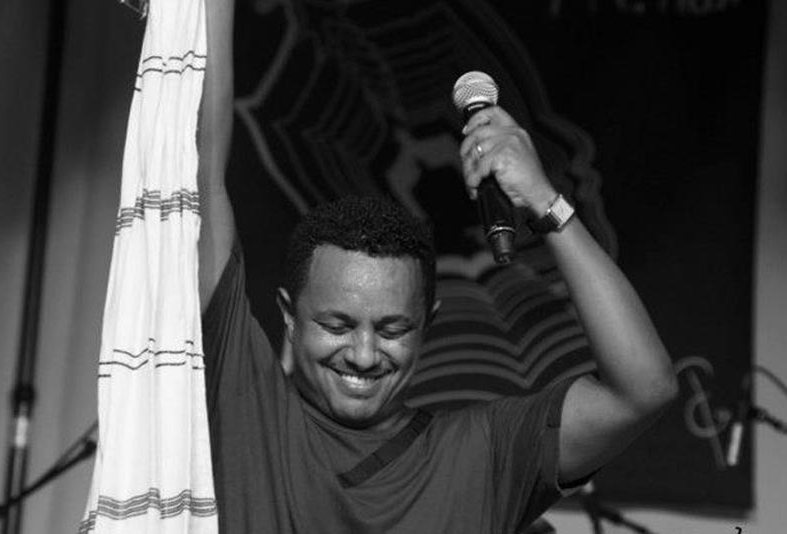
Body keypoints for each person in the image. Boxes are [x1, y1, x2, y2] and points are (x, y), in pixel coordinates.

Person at [196, 1, 678, 533]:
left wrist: (545, 201)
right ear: (289, 316)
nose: (363, 354)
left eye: (392, 330)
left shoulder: (485, 454)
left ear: (428, 324)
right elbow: (201, 176)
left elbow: (644, 390)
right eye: (337, 325)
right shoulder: (244, 402)